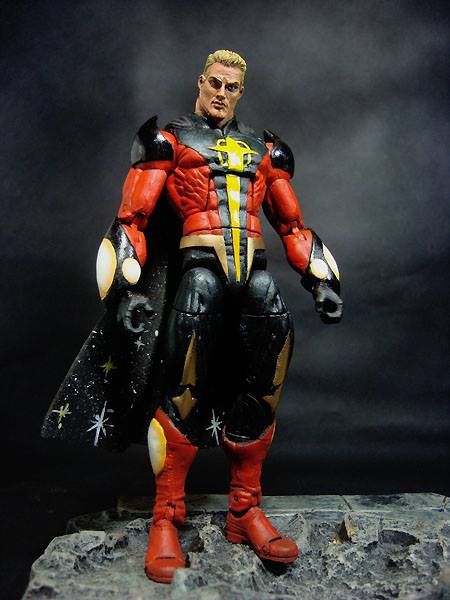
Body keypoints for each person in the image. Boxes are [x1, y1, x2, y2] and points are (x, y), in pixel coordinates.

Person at [45, 49, 343, 584]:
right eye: (215, 83)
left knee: (264, 390)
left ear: (241, 92)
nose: (222, 93)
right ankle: (167, 515)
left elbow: (292, 225)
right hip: (199, 274)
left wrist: (321, 281)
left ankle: (244, 509)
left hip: (254, 279)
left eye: (232, 86)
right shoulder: (170, 142)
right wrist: (124, 292)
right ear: (201, 82)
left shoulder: (266, 151)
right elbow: (132, 219)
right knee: (183, 389)